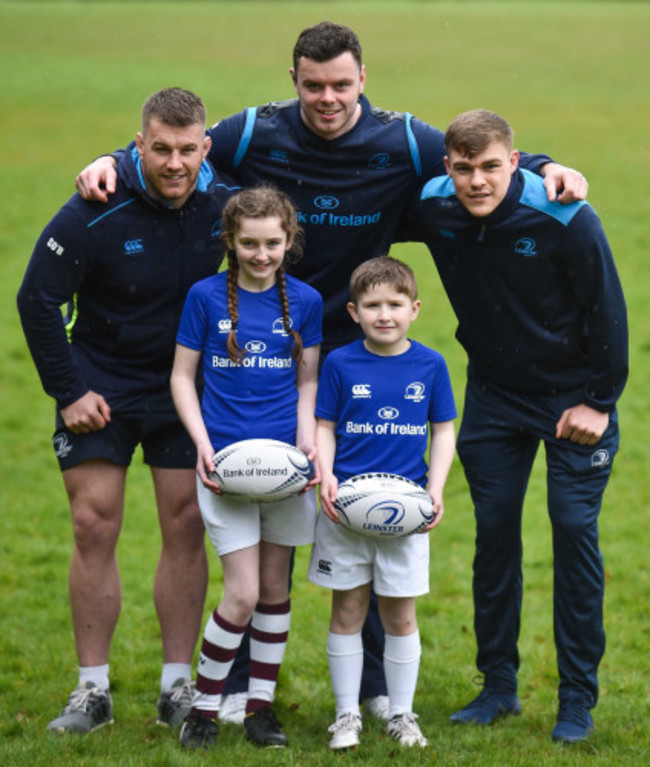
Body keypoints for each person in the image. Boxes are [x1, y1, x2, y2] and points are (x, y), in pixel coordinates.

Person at [73, 21, 589, 723]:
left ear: (363, 80)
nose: (327, 98)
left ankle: (375, 686)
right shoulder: (254, 131)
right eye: (313, 85)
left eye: (341, 84)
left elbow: (481, 155)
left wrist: (549, 167)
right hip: (268, 347)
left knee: (376, 504)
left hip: (360, 354)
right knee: (263, 518)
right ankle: (241, 696)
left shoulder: (401, 137)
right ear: (294, 82)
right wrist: (111, 161)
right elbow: (178, 150)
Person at [16, 88, 240, 734]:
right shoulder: (92, 208)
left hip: (182, 386)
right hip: (100, 383)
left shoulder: (223, 200)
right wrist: (68, 391)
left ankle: (178, 686)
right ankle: (92, 691)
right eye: (160, 149)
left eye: (187, 150)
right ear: (138, 145)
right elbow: (37, 300)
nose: (175, 163)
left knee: (185, 524)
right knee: (93, 523)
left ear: (205, 147)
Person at [401, 109, 628, 743]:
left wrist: (599, 402)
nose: (477, 182)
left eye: (493, 167)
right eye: (464, 168)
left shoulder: (565, 217)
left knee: (573, 530)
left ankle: (576, 699)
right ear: (447, 167)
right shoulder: (433, 206)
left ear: (514, 161)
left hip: (573, 399)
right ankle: (497, 685)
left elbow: (608, 311)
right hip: (495, 397)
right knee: (494, 533)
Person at [170, 185, 323, 750]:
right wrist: (204, 445)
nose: (262, 254)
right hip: (224, 469)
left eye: (273, 243)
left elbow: (307, 380)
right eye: (250, 244)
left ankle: (260, 709)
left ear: (289, 241)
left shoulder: (304, 301)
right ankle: (204, 710)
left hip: (285, 470)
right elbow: (182, 378)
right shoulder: (205, 297)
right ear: (231, 242)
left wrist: (307, 439)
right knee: (241, 595)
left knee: (275, 591)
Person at [308, 256, 457, 750]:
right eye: (372, 306)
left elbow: (442, 431)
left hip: (406, 512)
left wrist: (434, 491)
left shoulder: (430, 365)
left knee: (400, 615)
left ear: (414, 309)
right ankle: (346, 714)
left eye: (395, 304)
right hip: (345, 508)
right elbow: (324, 427)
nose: (384, 315)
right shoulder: (341, 363)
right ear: (354, 312)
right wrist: (326, 477)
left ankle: (401, 713)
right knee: (347, 610)